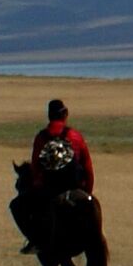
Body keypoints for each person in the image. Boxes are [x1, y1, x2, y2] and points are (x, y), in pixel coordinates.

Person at [12, 99, 94, 253]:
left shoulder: (41, 137)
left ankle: (35, 241)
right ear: (65, 114)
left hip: (49, 189)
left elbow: (36, 167)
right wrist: (87, 192)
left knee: (16, 206)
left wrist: (37, 186)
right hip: (75, 185)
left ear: (49, 116)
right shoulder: (75, 136)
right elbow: (88, 167)